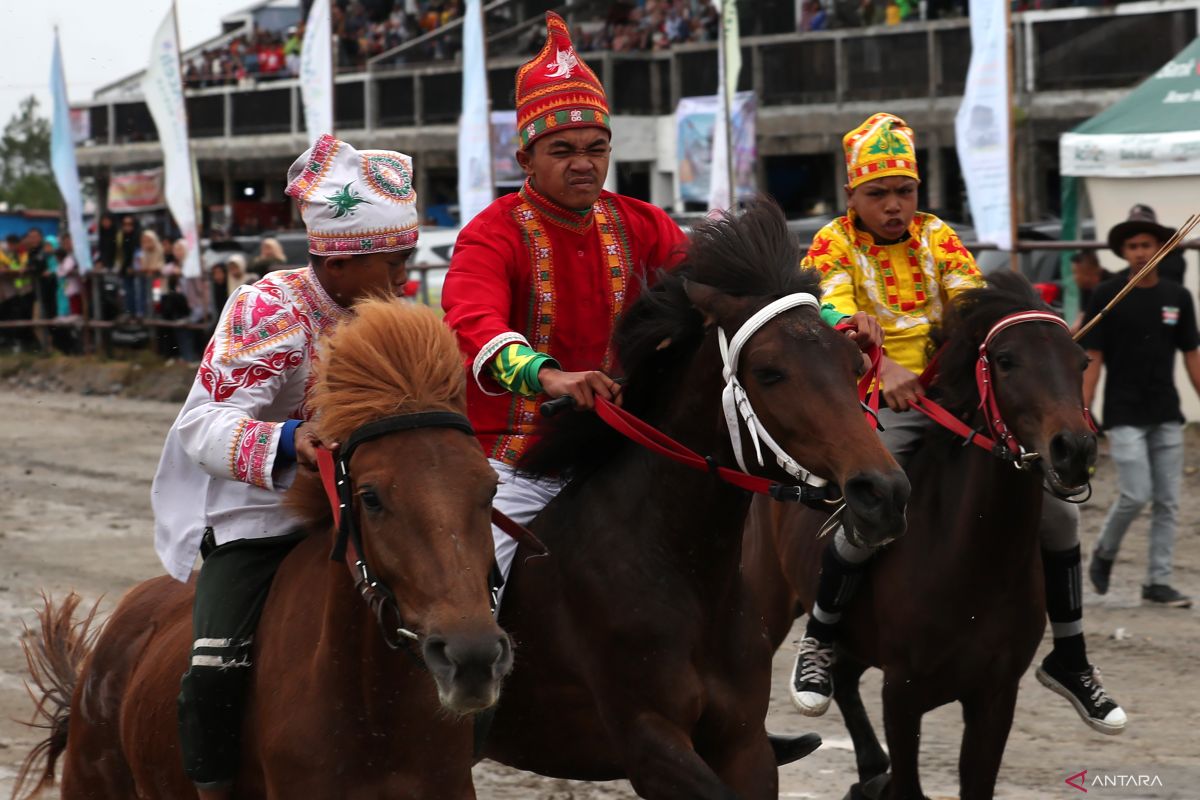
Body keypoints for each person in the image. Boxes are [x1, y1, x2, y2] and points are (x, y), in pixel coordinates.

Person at [791, 113, 1127, 735]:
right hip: (877, 403)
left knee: (1059, 510)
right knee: (874, 501)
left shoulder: (938, 236)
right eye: (878, 194)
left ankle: (1072, 656)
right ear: (852, 197)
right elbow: (834, 308)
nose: (894, 206)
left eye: (905, 191)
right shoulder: (831, 244)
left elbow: (975, 308)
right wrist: (883, 365)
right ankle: (820, 637)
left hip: (956, 404)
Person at [151, 135, 419, 800]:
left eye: (407, 259)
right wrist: (289, 441)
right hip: (259, 519)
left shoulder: (398, 313)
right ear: (338, 257)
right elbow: (199, 426)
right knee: (215, 667)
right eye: (394, 261)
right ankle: (213, 786)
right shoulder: (269, 306)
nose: (407, 278)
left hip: (365, 514)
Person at [442, 12, 692, 600]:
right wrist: (546, 375)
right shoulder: (490, 233)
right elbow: (472, 324)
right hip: (515, 458)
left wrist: (827, 321)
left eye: (596, 148)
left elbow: (720, 286)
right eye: (563, 150)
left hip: (625, 446)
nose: (584, 162)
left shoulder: (642, 223)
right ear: (525, 159)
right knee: (476, 594)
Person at [1083, 206, 1200, 610]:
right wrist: (1084, 408)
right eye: (1132, 245)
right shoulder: (1107, 295)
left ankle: (1158, 581)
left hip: (1166, 411)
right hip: (1123, 411)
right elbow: (1093, 356)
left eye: (1146, 244)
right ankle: (1104, 551)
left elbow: (1192, 355)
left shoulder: (1178, 297)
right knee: (1135, 494)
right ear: (1122, 251)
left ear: (1163, 248)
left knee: (1168, 500)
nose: (1139, 252)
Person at [1069, 249, 1113, 332]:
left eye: (1076, 272)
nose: (1074, 278)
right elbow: (1083, 313)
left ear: (1089, 272)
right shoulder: (1085, 287)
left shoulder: (1111, 285)